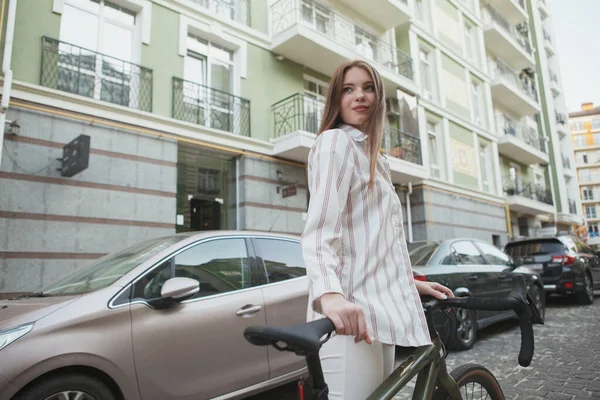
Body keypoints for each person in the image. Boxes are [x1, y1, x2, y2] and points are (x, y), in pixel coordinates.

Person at [301, 59, 454, 400]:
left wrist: (412, 284)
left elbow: (371, 244)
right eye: (348, 89)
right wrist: (330, 296)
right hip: (348, 317)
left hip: (377, 315)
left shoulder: (376, 160)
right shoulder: (335, 143)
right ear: (336, 99)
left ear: (380, 99)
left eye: (368, 88)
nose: (360, 96)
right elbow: (320, 232)